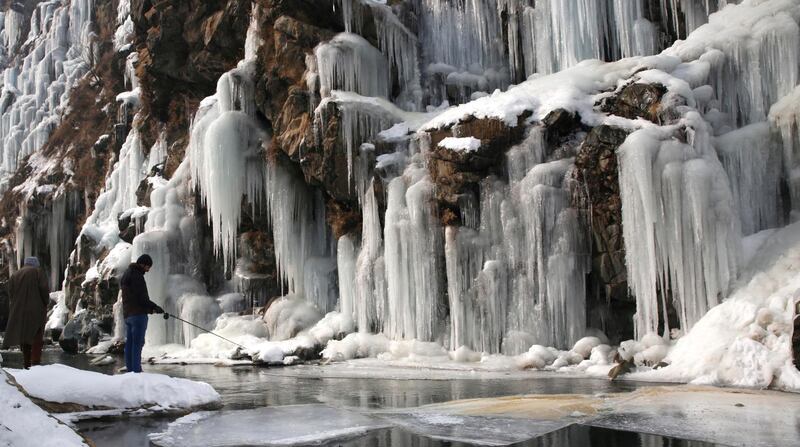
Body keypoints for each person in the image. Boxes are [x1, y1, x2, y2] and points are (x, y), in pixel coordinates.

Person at [2, 257, 50, 369]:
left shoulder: (15, 275)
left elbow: (11, 292)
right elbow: (44, 289)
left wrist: (15, 305)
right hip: (36, 309)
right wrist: (45, 302)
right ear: (35, 264)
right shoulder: (38, 272)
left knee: (25, 336)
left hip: (19, 310)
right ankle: (35, 362)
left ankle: (26, 363)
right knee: (37, 335)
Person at [120, 254, 164, 373]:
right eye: (148, 267)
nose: (148, 270)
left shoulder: (126, 275)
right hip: (138, 316)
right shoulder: (137, 276)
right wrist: (154, 307)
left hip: (128, 315)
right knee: (137, 343)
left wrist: (150, 310)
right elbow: (142, 298)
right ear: (143, 264)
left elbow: (133, 299)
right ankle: (137, 372)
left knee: (130, 344)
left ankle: (130, 371)